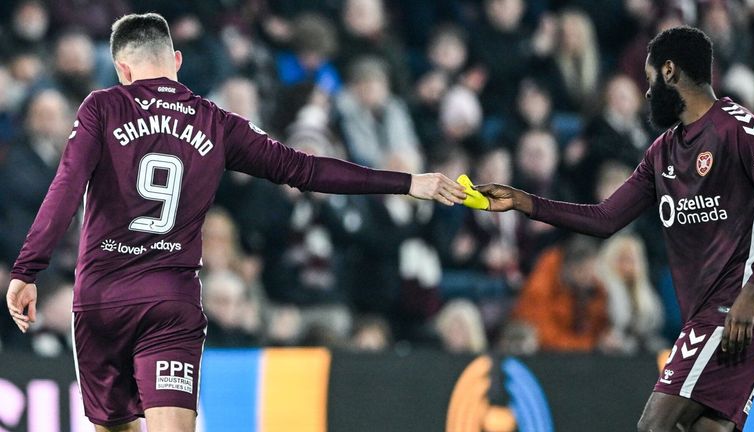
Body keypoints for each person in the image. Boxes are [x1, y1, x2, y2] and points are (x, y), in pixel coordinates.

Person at [4, 13, 466, 432]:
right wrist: (406, 182)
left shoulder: (102, 107)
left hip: (103, 299)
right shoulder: (217, 122)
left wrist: (27, 270)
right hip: (170, 300)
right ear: (177, 61)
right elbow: (305, 169)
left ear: (122, 70)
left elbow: (65, 188)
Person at [473, 26, 754, 431]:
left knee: (652, 426)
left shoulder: (741, 131)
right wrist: (524, 202)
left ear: (669, 71)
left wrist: (752, 293)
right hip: (710, 311)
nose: (646, 93)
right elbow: (604, 218)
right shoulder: (662, 151)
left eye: (648, 79)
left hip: (735, 308)